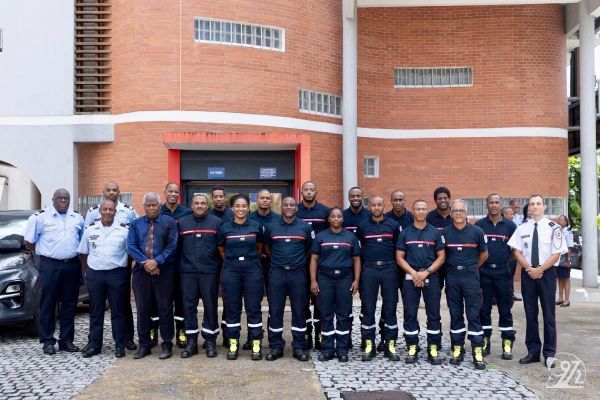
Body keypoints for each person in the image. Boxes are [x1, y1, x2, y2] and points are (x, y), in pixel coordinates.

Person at [508, 195, 567, 368]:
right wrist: (529, 268)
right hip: (528, 274)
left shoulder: (553, 228)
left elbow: (556, 254)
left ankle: (549, 353)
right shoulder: (522, 228)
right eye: (532, 204)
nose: (535, 207)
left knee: (549, 314)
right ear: (529, 208)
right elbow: (516, 251)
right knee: (530, 314)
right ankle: (533, 351)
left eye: (538, 204)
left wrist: (539, 270)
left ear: (544, 206)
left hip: (546, 274)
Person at [24, 189, 85, 355]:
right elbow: (29, 242)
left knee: (70, 304)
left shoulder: (77, 218)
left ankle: (66, 340)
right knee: (48, 304)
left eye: (66, 198)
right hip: (50, 265)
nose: (63, 201)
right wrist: (43, 256)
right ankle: (48, 341)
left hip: (72, 265)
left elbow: (81, 240)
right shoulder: (40, 218)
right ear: (53, 200)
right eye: (60, 198)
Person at [84, 181, 139, 350]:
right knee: (96, 310)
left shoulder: (128, 212)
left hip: (119, 267)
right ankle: (94, 344)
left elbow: (134, 238)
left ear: (119, 192)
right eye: (108, 190)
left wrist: (125, 266)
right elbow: (85, 247)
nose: (111, 192)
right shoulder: (92, 214)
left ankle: (124, 340)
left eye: (114, 190)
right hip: (97, 269)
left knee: (121, 306)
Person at [127, 192, 178, 360]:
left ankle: (167, 344)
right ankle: (144, 345)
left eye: (154, 205)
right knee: (142, 309)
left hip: (164, 272)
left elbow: (172, 245)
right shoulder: (135, 224)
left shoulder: (169, 222)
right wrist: (146, 263)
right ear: (144, 206)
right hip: (142, 273)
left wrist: (157, 261)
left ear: (159, 205)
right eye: (148, 205)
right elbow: (131, 246)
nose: (151, 208)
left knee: (165, 309)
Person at [263, 197, 313, 362]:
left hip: (297, 273)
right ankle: (276, 346)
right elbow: (267, 247)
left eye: (292, 205)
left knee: (299, 310)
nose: (289, 207)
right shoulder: (271, 226)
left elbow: (309, 250)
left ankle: (299, 346)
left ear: (296, 208)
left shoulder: (304, 227)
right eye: (286, 205)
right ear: (281, 207)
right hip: (277, 272)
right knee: (275, 310)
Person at [78, 199, 130, 358]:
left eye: (111, 210)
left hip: (117, 274)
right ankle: (95, 345)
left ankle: (120, 345)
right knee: (95, 311)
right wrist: (87, 273)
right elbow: (83, 253)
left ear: (115, 211)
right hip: (96, 274)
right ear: (100, 211)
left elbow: (130, 253)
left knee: (118, 311)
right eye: (105, 209)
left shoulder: (124, 230)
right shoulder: (90, 230)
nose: (108, 212)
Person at [396, 199, 445, 365]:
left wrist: (426, 273)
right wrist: (414, 273)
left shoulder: (435, 232)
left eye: (424, 209)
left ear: (426, 211)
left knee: (433, 313)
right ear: (413, 211)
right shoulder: (405, 232)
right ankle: (412, 346)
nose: (421, 211)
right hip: (411, 276)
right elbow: (399, 257)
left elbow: (441, 256)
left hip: (430, 274)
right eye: (418, 209)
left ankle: (433, 347)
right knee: (410, 313)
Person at [442, 199, 488, 370]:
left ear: (466, 213)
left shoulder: (477, 231)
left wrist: (472, 267)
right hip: (452, 275)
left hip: (470, 276)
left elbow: (484, 254)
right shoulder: (445, 232)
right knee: (455, 313)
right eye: (455, 211)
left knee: (474, 314)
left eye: (461, 210)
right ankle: (457, 348)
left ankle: (477, 350)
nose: (458, 213)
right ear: (451, 213)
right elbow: (441, 255)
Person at [310, 207, 361, 362]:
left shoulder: (350, 237)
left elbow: (357, 260)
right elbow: (313, 259)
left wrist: (356, 280)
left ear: (342, 219)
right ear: (329, 219)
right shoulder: (320, 237)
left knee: (343, 315)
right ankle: (327, 349)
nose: (336, 219)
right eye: (333, 216)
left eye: (339, 216)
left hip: (345, 278)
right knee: (325, 314)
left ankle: (342, 349)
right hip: (324, 278)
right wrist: (313, 280)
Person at [217, 194, 264, 360]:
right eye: (237, 206)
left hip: (252, 270)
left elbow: (259, 247)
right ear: (232, 208)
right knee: (232, 309)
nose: (241, 209)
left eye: (244, 206)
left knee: (253, 309)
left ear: (248, 207)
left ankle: (256, 344)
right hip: (231, 270)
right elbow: (221, 249)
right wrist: (233, 262)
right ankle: (233, 345)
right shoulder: (225, 228)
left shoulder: (256, 226)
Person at [177, 194, 223, 358]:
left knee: (210, 306)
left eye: (203, 203)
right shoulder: (182, 223)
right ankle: (191, 342)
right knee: (189, 307)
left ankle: (210, 340)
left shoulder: (216, 223)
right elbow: (178, 249)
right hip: (188, 272)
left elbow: (221, 249)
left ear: (207, 205)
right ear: (191, 205)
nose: (200, 206)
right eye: (196, 203)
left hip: (209, 272)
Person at [357, 196, 401, 362]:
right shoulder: (363, 225)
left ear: (384, 206)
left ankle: (390, 344)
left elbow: (398, 246)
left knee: (390, 307)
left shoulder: (393, 225)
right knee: (368, 307)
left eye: (379, 205)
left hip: (389, 268)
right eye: (373, 205)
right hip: (369, 268)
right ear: (369, 207)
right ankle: (369, 344)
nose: (376, 207)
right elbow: (359, 247)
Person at [475, 194, 517, 360]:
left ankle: (507, 343)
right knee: (484, 309)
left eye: (497, 202)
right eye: (491, 202)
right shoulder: (479, 226)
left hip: (502, 273)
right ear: (487, 205)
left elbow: (515, 251)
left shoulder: (510, 226)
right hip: (484, 272)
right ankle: (485, 341)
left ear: (501, 205)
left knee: (505, 309)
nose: (494, 205)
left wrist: (504, 262)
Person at [159, 182, 192, 349]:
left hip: (182, 263)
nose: (173, 194)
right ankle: (161, 334)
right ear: (164, 192)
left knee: (181, 300)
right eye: (170, 191)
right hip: (163, 265)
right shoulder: (157, 211)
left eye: (176, 192)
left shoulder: (187, 213)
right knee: (163, 301)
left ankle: (182, 332)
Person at [297, 181, 330, 350]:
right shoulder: (295, 211)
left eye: (312, 189)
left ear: (316, 191)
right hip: (301, 262)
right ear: (301, 192)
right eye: (306, 190)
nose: (309, 192)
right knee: (302, 301)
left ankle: (320, 334)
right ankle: (306, 333)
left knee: (320, 301)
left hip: (320, 261)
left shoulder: (325, 211)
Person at [341, 186, 369, 350]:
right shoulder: (342, 216)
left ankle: (367, 338)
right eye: (353, 195)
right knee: (345, 304)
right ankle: (347, 336)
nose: (356, 198)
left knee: (367, 304)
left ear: (362, 196)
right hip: (345, 265)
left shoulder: (369, 215)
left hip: (366, 265)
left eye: (359, 195)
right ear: (349, 197)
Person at [556, 215, 575, 308]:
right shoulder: (558, 231)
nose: (559, 221)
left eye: (562, 220)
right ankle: (560, 298)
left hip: (565, 257)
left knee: (566, 279)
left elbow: (570, 247)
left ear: (566, 222)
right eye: (559, 220)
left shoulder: (568, 232)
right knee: (559, 278)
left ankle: (567, 300)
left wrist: (569, 260)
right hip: (558, 257)